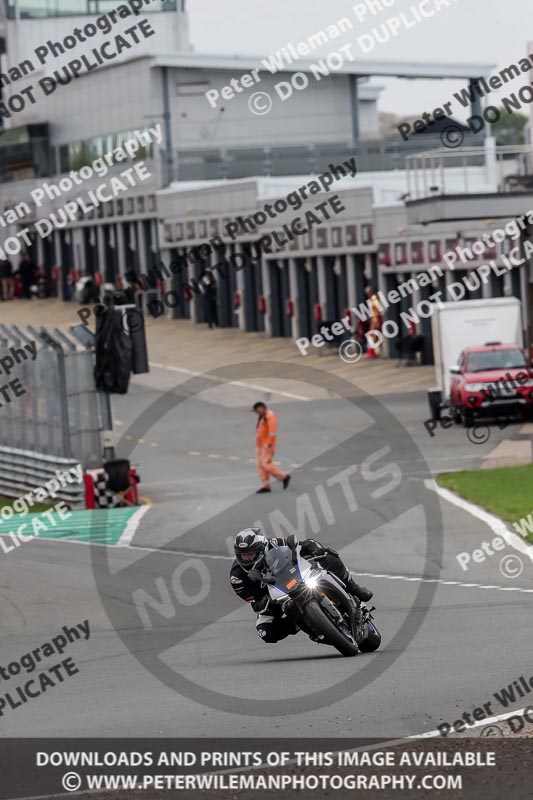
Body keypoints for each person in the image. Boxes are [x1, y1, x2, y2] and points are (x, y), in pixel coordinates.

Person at [230, 528, 373, 644]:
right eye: (243, 555)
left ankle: (354, 588)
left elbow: (301, 544)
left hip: (295, 577)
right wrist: (264, 602)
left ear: (262, 549)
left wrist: (314, 548)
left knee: (328, 556)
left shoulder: (273, 543)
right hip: (274, 597)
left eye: (251, 554)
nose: (247, 558)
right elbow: (254, 603)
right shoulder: (237, 577)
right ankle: (300, 623)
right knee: (265, 632)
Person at [253, 401, 290, 493]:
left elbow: (272, 432)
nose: (256, 413)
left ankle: (283, 477)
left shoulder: (270, 416)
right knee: (261, 465)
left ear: (261, 408)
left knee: (266, 464)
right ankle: (265, 485)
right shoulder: (263, 416)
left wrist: (269, 444)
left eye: (256, 410)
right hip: (260, 445)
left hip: (267, 445)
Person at [363, 286, 383, 359]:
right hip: (373, 319)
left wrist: (376, 318)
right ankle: (372, 351)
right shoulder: (371, 299)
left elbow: (377, 309)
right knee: (372, 335)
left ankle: (373, 352)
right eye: (366, 293)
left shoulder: (374, 298)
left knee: (372, 335)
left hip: (375, 319)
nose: (367, 294)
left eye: (368, 292)